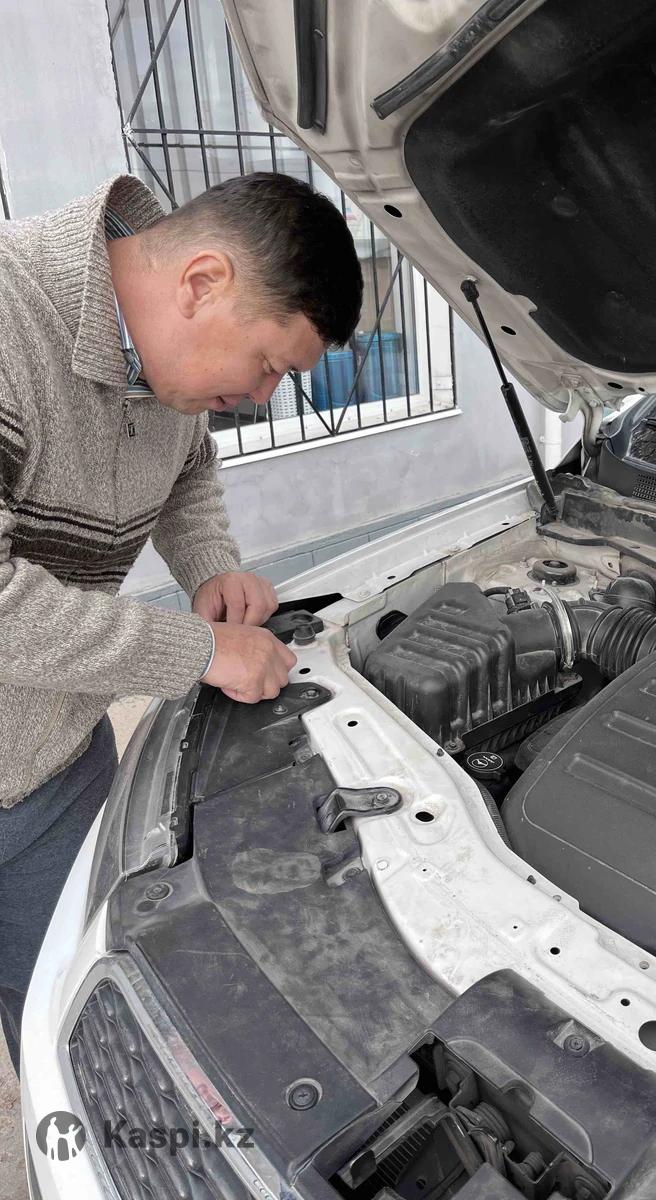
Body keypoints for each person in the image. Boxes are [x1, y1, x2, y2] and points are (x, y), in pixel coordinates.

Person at [0, 171, 363, 1069]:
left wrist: (211, 566)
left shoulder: (162, 356)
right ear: (203, 282)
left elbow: (189, 466)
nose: (266, 395)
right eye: (271, 364)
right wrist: (196, 650)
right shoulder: (11, 320)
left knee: (66, 1028)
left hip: (57, 766)